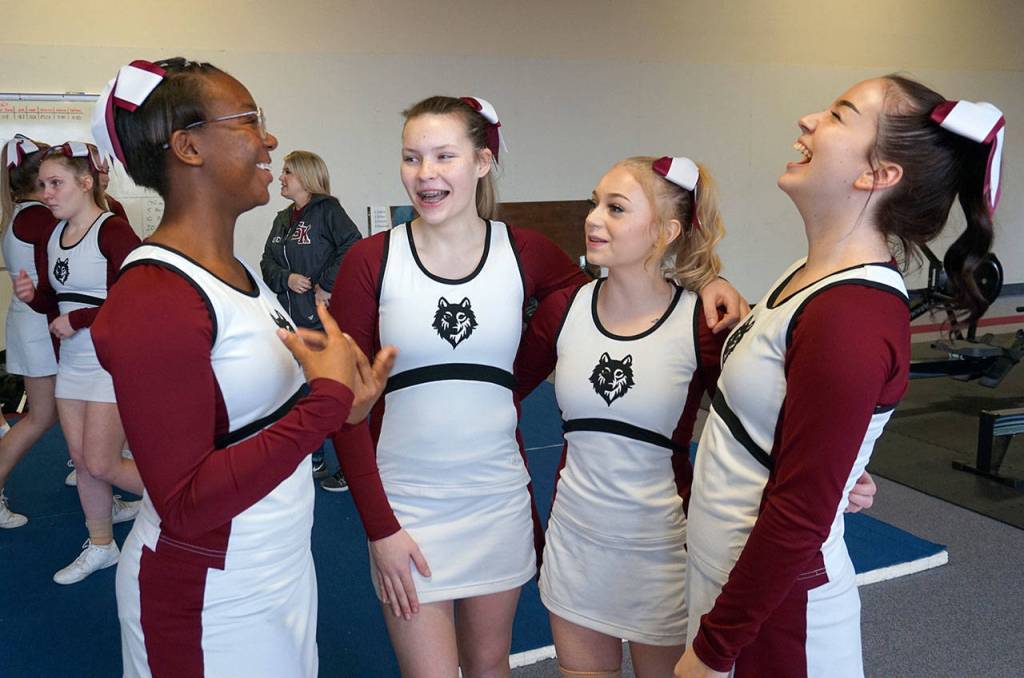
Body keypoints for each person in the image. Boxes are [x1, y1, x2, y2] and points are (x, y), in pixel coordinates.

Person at [328, 96, 743, 677]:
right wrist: (379, 527)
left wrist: (707, 273)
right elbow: (341, 406)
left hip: (499, 500)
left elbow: (625, 292)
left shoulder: (526, 254)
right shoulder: (372, 260)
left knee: (489, 665)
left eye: (444, 155)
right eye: (411, 157)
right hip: (409, 506)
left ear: (481, 162)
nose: (426, 173)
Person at [676, 76, 1001, 678]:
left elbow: (799, 515)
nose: (806, 120)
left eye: (837, 114)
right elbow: (784, 421)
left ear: (876, 175)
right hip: (736, 584)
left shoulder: (850, 316)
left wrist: (713, 651)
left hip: (778, 622)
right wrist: (837, 462)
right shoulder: (807, 274)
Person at [87, 57, 395, 677]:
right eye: (251, 120)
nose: (270, 139)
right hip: (205, 598)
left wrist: (344, 404)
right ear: (189, 147)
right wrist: (325, 403)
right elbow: (185, 502)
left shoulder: (241, 272)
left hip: (274, 568)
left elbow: (258, 422)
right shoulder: (154, 297)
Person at [514, 156, 728, 678]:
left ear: (665, 231)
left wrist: (843, 474)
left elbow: (759, 428)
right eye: (594, 203)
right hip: (576, 545)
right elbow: (497, 394)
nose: (592, 218)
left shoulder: (704, 320)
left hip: (663, 551)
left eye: (615, 208)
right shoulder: (563, 310)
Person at [13, 141, 143, 583]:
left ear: (85, 183)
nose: (46, 192)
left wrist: (79, 318)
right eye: (43, 185)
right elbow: (57, 304)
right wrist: (36, 300)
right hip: (72, 363)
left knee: (102, 461)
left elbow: (137, 301)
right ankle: (102, 545)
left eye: (56, 183)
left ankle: (184, 502)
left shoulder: (114, 231)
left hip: (111, 361)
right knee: (81, 460)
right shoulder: (54, 235)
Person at [260, 149, 361, 481]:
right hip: (292, 322)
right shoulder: (282, 218)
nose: (280, 177)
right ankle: (314, 458)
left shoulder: (328, 210)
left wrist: (327, 285)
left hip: (324, 323)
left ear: (304, 176)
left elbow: (353, 244)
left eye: (287, 171)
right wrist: (285, 278)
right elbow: (267, 262)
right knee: (301, 394)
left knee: (336, 394)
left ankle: (352, 468)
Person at [0, 134, 60, 528]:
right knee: (40, 417)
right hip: (39, 327)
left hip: (31, 325)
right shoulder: (38, 218)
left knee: (54, 415)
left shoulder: (21, 213)